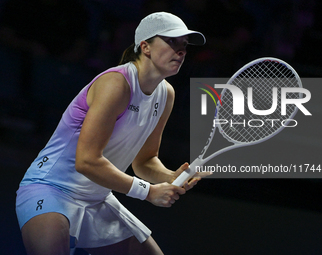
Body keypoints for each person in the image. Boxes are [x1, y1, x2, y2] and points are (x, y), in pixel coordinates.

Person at [15, 12, 206, 255]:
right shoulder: (116, 84)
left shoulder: (165, 94)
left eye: (184, 45)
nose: (181, 51)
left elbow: (145, 161)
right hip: (51, 188)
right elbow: (87, 161)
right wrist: (147, 192)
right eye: (171, 42)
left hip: (97, 198)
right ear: (145, 47)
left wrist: (169, 177)